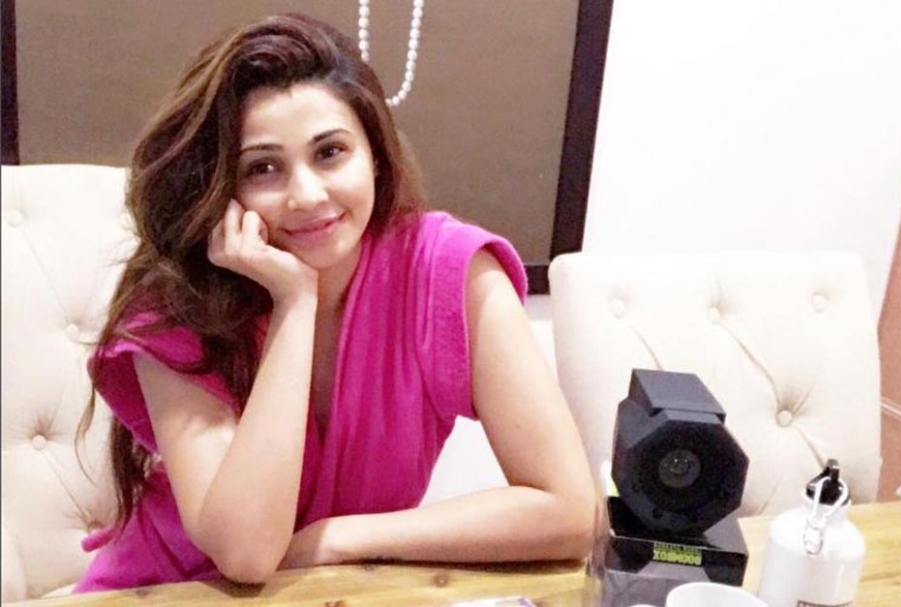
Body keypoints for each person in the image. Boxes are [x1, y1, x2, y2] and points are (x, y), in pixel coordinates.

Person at [74, 12, 595, 592]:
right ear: (221, 186)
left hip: (337, 589)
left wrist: (340, 538)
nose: (306, 195)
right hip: (171, 592)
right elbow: (246, 552)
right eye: (263, 168)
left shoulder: (451, 273)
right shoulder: (177, 303)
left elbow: (570, 511)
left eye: (330, 153)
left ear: (375, 155)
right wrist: (294, 302)